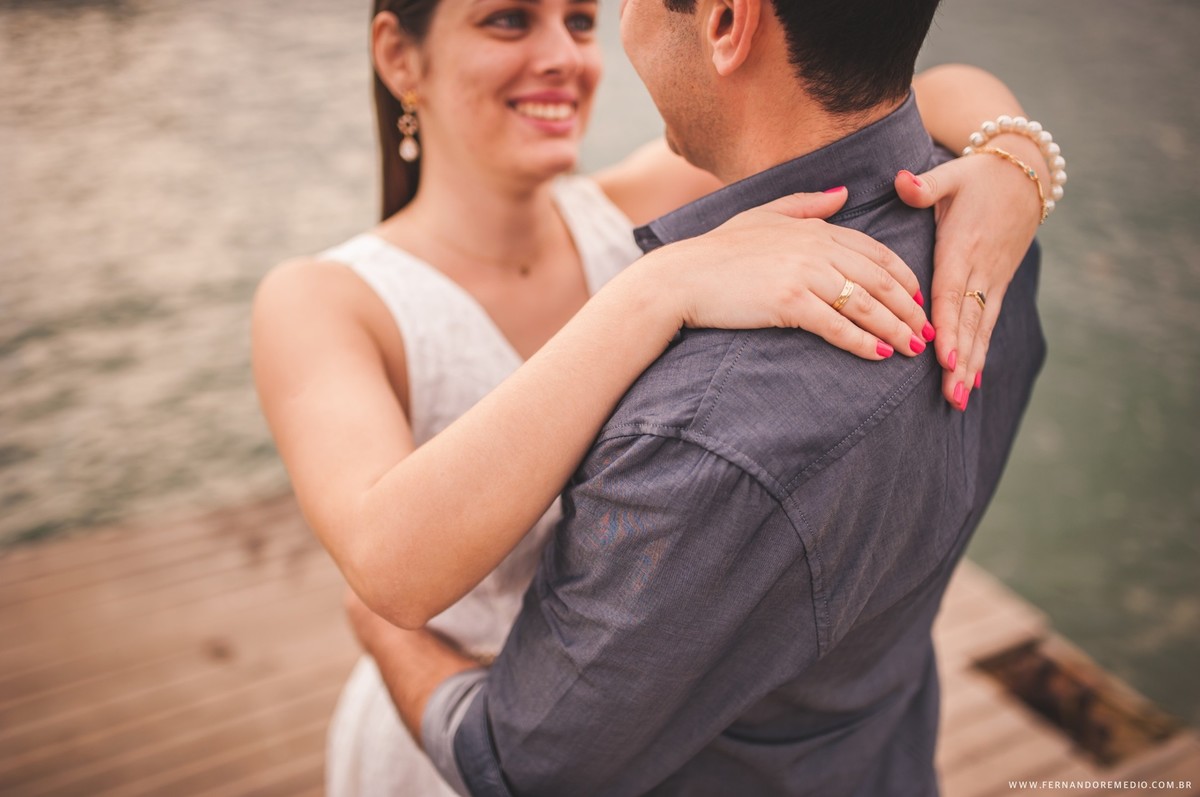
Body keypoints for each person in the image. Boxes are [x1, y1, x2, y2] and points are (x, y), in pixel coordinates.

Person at [251, 0, 1051, 794]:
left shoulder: (636, 199)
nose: (564, 55)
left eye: (580, 22)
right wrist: (658, 288)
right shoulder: (323, 297)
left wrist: (1016, 164)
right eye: (508, 20)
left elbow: (913, 92)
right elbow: (390, 566)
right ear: (399, 55)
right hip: (439, 733)